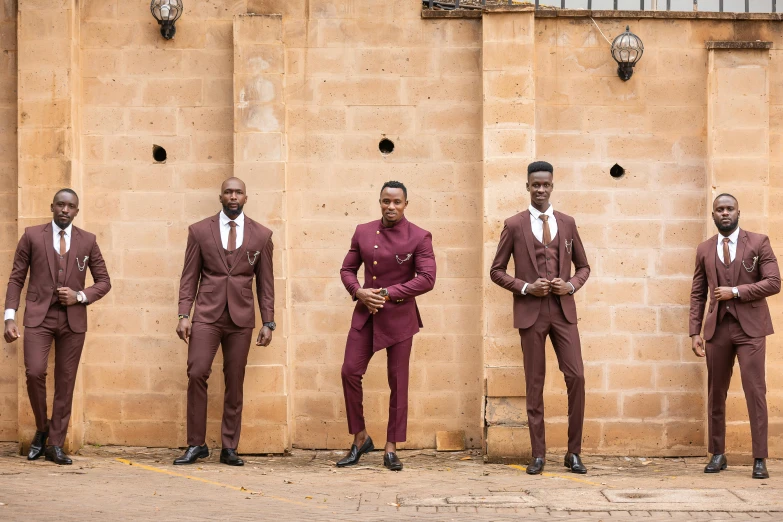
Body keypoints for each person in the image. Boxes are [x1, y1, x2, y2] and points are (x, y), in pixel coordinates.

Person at [489, 161, 590, 475]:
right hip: (531, 314)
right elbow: (496, 271)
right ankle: (538, 454)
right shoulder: (514, 225)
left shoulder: (568, 223)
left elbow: (583, 267)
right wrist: (525, 287)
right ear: (528, 186)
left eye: (546, 185)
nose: (541, 190)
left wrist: (570, 285)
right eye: (535, 185)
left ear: (552, 185)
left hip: (563, 313)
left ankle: (573, 453)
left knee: (577, 377)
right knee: (535, 384)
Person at [3, 189, 111, 465]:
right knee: (34, 372)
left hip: (73, 320)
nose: (65, 210)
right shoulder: (31, 236)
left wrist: (80, 296)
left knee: (66, 381)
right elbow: (16, 279)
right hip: (38, 317)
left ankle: (55, 444)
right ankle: (42, 427)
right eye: (60, 205)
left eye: (70, 206)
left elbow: (104, 281)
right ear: (52, 206)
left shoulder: (88, 240)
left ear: (77, 210)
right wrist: (9, 317)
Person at [175, 177, 275, 466]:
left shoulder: (262, 235)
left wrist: (268, 322)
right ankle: (196, 444)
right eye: (228, 192)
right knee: (197, 372)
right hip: (207, 314)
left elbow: (265, 284)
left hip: (241, 318)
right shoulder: (199, 231)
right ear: (220, 197)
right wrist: (184, 314)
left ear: (246, 197)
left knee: (235, 380)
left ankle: (230, 446)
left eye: (238, 192)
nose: (233, 196)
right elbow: (188, 277)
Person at [336, 181, 436, 471]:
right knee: (349, 372)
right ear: (379, 202)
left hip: (400, 319)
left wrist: (390, 293)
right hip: (365, 314)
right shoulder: (363, 231)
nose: (390, 207)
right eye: (385, 201)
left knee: (398, 382)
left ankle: (391, 447)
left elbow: (428, 278)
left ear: (406, 204)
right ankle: (360, 438)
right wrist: (358, 292)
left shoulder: (419, 236)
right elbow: (347, 269)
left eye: (396, 202)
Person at [690, 193, 780, 479]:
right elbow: (698, 293)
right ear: (713, 215)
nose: (725, 213)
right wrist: (694, 331)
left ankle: (759, 458)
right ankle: (718, 453)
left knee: (755, 391)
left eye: (729, 209)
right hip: (717, 329)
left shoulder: (757, 242)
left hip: (751, 328)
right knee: (716, 391)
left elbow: (774, 282)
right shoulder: (704, 249)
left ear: (738, 212)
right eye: (719, 210)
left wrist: (737, 291)